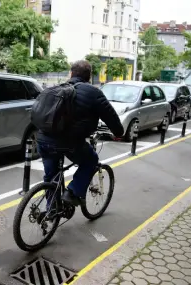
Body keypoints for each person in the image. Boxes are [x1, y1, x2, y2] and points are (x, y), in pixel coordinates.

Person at [36, 60, 125, 212]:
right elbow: (110, 116)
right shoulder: (93, 92)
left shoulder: (56, 88)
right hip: (69, 142)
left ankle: (51, 210)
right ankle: (72, 192)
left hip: (43, 139)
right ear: (89, 77)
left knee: (51, 176)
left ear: (71, 73)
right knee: (91, 161)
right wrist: (118, 133)